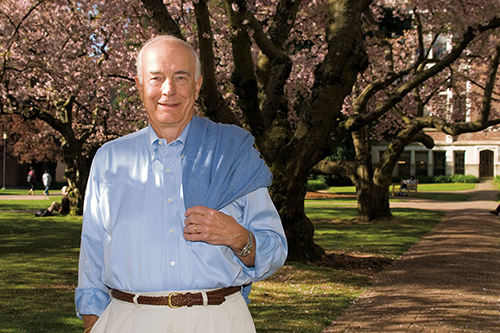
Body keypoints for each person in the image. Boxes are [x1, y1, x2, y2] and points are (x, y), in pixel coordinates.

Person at [75, 35, 287, 333]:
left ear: (198, 84)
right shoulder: (109, 159)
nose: (168, 90)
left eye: (181, 77)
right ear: (139, 85)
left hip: (219, 322)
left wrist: (238, 237)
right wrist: (92, 322)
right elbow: (92, 252)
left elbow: (275, 249)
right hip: (128, 322)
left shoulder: (233, 153)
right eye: (156, 78)